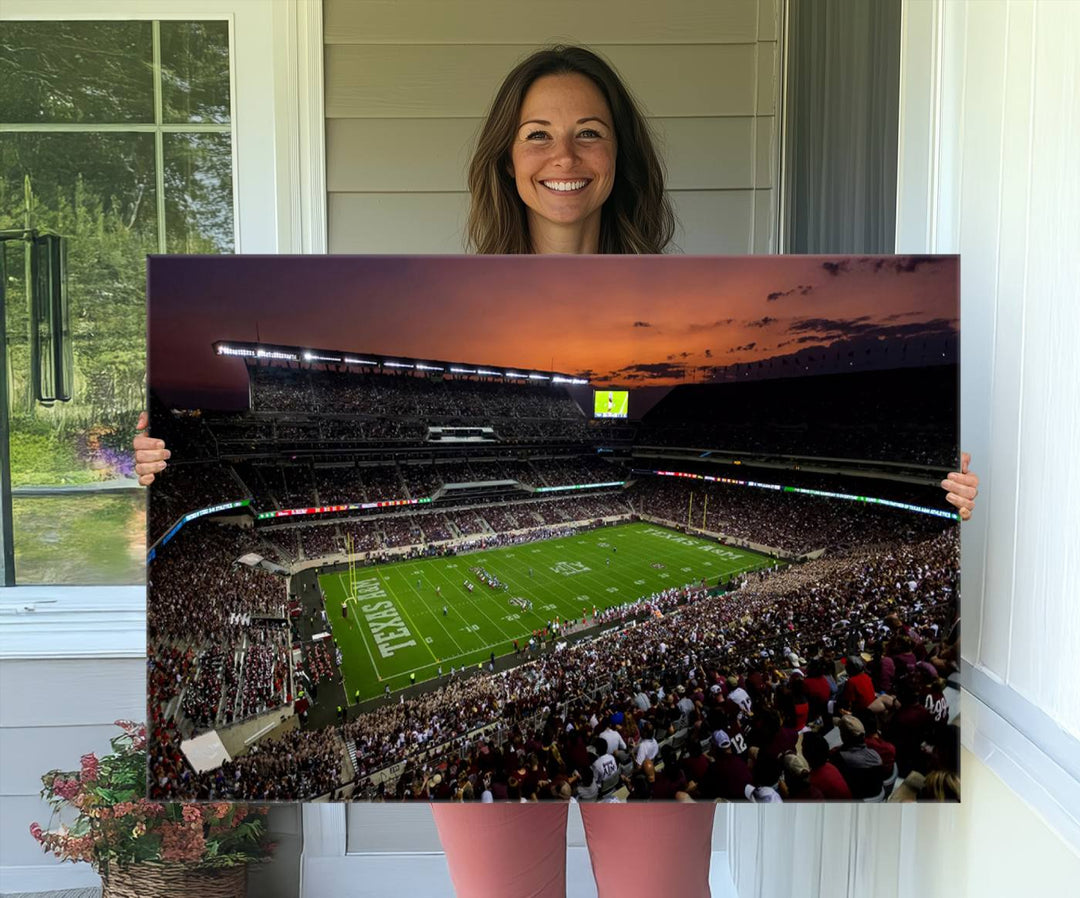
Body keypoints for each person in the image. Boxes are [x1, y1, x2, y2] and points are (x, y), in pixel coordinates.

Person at [133, 44, 979, 898]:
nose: (563, 157)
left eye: (589, 134)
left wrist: (954, 485)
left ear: (621, 158)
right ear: (507, 157)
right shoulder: (453, 299)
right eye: (537, 134)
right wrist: (153, 465)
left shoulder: (671, 306)